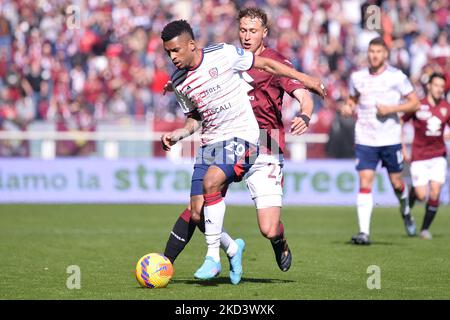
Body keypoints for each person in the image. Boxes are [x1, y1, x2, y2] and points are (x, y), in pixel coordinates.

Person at [160, 19, 324, 282]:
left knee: (268, 228)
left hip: (263, 139)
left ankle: (265, 243)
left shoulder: (266, 59)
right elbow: (194, 116)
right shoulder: (196, 72)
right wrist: (179, 134)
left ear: (264, 33)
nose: (247, 36)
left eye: (253, 31)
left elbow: (301, 93)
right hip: (213, 141)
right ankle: (229, 249)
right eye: (243, 30)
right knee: (197, 212)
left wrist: (305, 108)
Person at [340, 37, 420, 245]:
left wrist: (391, 109)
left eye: (378, 51)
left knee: (397, 184)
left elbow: (415, 103)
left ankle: (406, 210)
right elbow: (353, 99)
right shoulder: (357, 76)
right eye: (371, 51)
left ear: (385, 54)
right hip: (365, 138)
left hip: (390, 138)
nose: (374, 55)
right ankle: (364, 232)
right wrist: (348, 107)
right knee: (365, 181)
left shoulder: (396, 77)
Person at [402, 73, 450, 240]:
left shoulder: (446, 107)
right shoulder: (417, 105)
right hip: (419, 156)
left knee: (435, 192)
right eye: (436, 85)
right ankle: (412, 198)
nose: (439, 89)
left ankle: (424, 229)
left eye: (442, 87)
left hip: (439, 156)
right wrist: (402, 148)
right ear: (429, 86)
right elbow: (400, 122)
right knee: (422, 195)